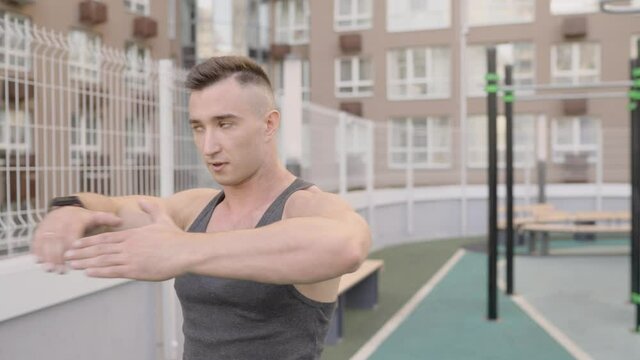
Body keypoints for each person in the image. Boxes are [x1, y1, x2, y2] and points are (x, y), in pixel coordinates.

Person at [31, 56, 371, 359]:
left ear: (268, 124)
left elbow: (346, 246)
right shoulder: (194, 207)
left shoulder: (305, 206)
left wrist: (183, 248)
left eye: (225, 124)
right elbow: (111, 210)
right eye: (198, 127)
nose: (208, 146)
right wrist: (68, 208)